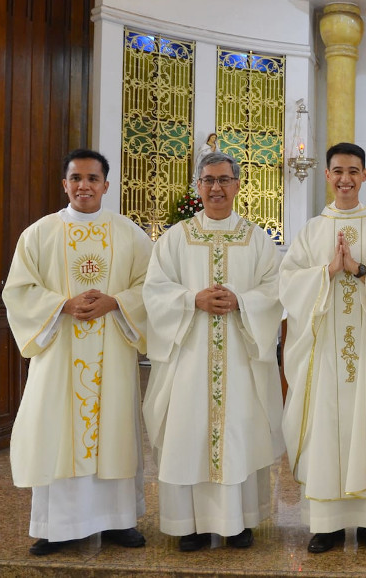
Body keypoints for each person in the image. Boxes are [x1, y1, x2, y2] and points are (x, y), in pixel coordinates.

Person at [3, 149, 153, 555]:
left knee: (115, 430)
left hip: (113, 353)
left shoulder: (130, 234)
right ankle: (57, 527)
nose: (84, 186)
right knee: (56, 430)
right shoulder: (39, 233)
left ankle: (120, 521)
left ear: (106, 184)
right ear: (64, 184)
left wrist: (116, 302)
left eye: (92, 178)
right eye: (76, 178)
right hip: (58, 352)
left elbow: (150, 286)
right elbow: (18, 291)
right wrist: (61, 305)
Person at [142, 152, 285, 552]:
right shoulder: (175, 237)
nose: (216, 188)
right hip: (189, 356)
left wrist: (241, 299)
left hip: (240, 356)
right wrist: (191, 300)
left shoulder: (257, 238)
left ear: (238, 185)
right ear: (197, 186)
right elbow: (154, 290)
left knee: (238, 431)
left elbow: (276, 289)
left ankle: (237, 522)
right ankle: (190, 524)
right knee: (189, 433)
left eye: (224, 180)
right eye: (208, 180)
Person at [278, 142, 366, 554]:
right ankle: (326, 525)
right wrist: (326, 272)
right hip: (323, 351)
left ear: (365, 175)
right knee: (325, 424)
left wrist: (362, 271)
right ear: (326, 176)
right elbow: (288, 283)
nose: (345, 179)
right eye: (337, 171)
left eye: (353, 171)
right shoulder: (312, 230)